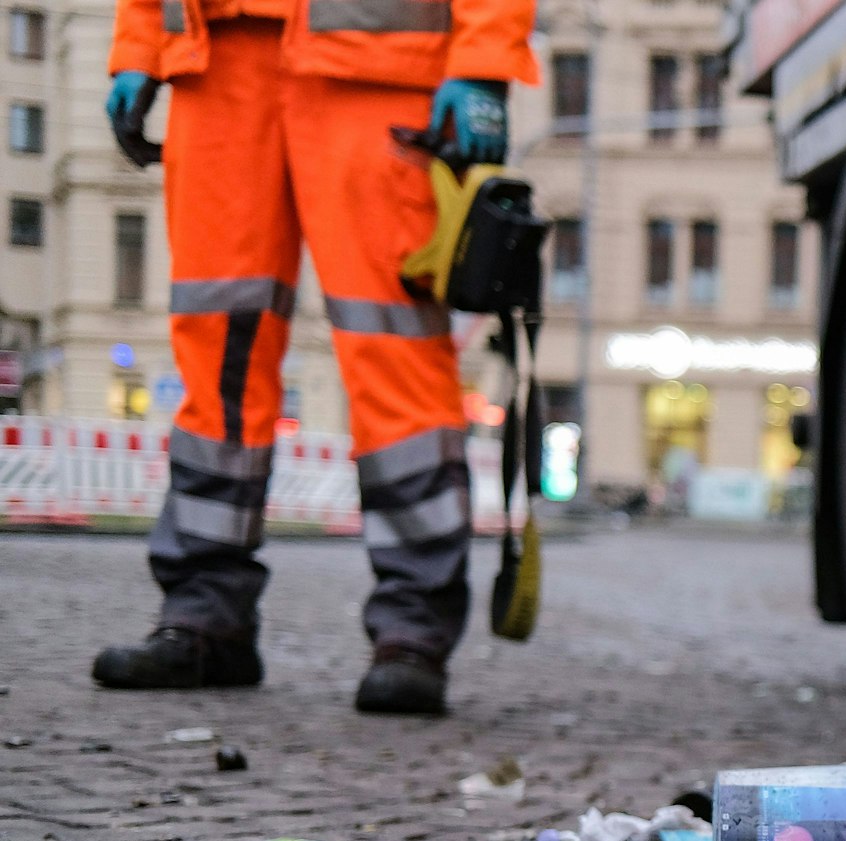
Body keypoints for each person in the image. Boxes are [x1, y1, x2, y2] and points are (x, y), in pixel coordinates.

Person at [89, 0, 537, 714]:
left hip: (375, 63)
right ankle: (206, 615)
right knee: (216, 346)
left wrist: (484, 60)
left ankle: (412, 627)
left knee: (392, 348)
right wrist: (139, 44)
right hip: (218, 62)